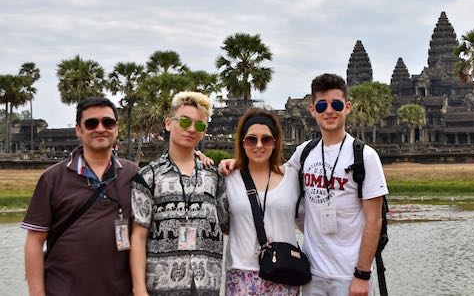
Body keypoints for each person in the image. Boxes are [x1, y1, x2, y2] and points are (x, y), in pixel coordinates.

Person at [221, 74, 388, 296]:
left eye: (336, 104)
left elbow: (374, 220)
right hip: (311, 273)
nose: (329, 111)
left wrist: (362, 274)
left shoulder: (365, 156)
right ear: (312, 110)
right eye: (322, 105)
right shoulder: (304, 153)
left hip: (349, 274)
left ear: (347, 107)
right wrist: (236, 163)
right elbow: (271, 170)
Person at [22, 97, 139, 296]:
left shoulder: (132, 174)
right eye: (91, 123)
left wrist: (196, 156)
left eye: (108, 122)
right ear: (79, 129)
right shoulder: (53, 178)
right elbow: (34, 241)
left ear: (116, 128)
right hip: (62, 290)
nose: (100, 128)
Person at [130, 91, 228, 296]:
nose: (191, 129)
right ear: (168, 123)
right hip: (161, 285)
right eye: (184, 122)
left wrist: (237, 164)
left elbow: (228, 224)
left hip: (206, 283)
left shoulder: (214, 176)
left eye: (199, 125)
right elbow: (138, 236)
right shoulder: (148, 177)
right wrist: (139, 288)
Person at [224, 108, 301, 295]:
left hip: (284, 271)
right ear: (242, 143)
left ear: (275, 143)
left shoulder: (294, 177)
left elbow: (309, 221)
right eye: (251, 139)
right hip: (241, 272)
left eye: (266, 139)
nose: (259, 145)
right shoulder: (227, 177)